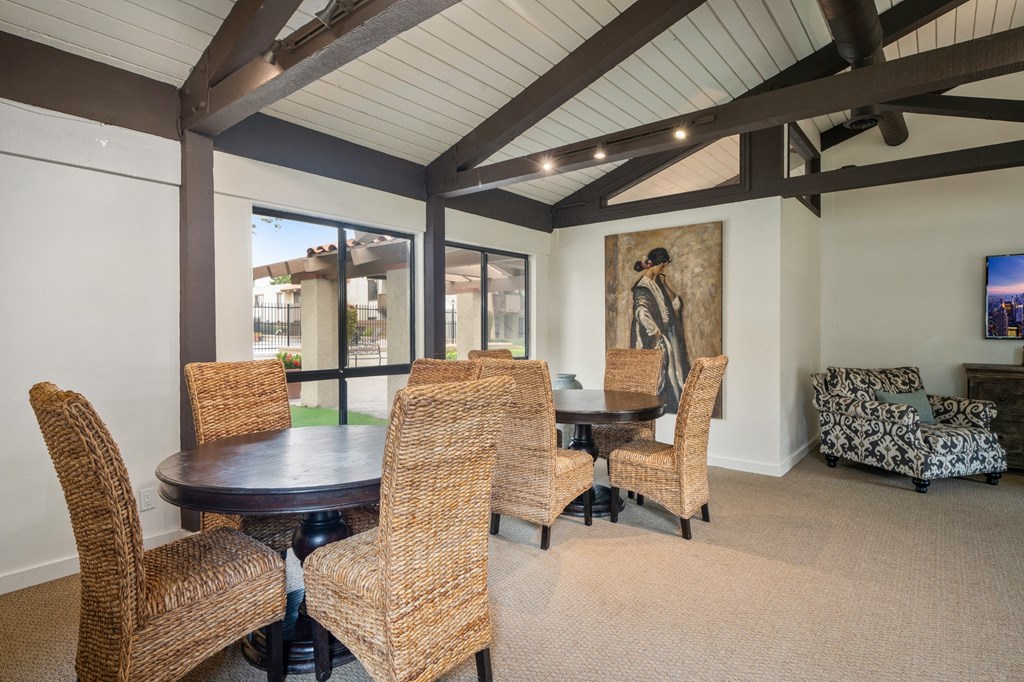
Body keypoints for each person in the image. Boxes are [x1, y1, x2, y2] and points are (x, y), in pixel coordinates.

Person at [630, 247, 689, 412]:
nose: (663, 269)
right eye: (662, 266)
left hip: (667, 337)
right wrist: (655, 332)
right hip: (655, 340)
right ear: (655, 264)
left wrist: (664, 284)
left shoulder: (656, 284)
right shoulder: (643, 287)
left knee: (675, 376)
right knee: (658, 380)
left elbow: (676, 304)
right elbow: (641, 312)